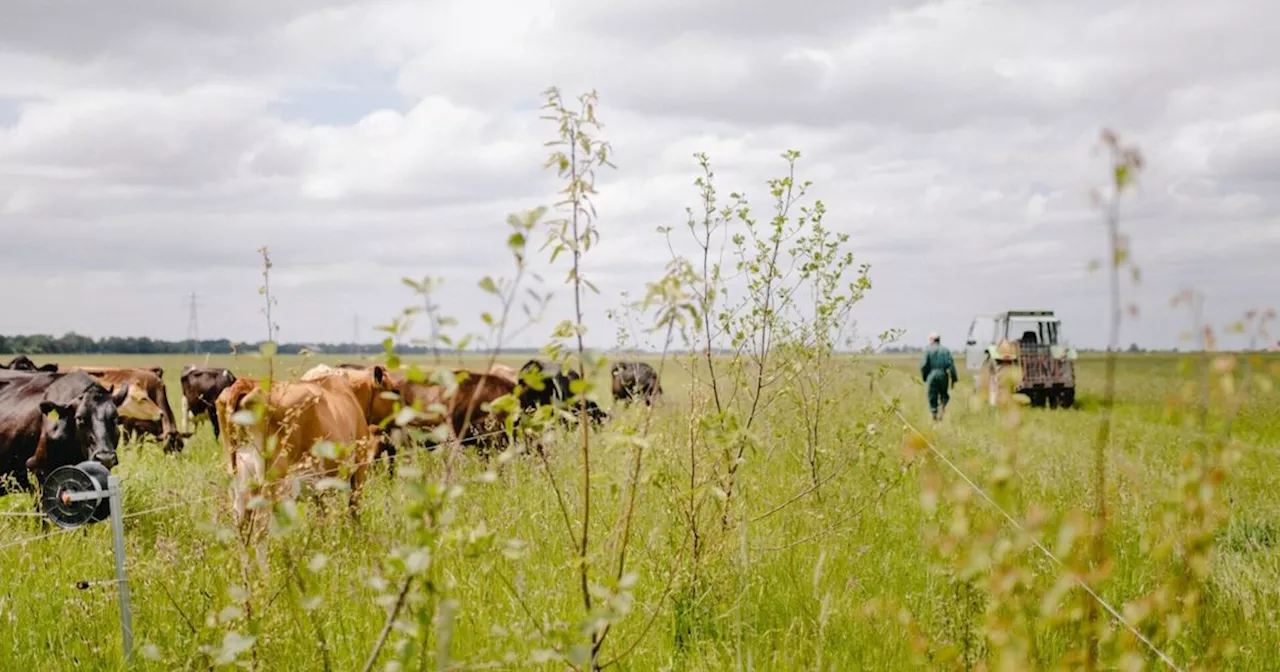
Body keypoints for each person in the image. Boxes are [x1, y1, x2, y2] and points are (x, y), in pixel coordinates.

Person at [920, 332, 958, 420]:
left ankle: (934, 415)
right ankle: (942, 408)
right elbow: (951, 366)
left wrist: (925, 377)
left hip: (931, 375)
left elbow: (923, 365)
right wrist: (953, 379)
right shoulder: (945, 350)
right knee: (944, 395)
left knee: (932, 395)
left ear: (932, 340)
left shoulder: (928, 350)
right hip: (943, 375)